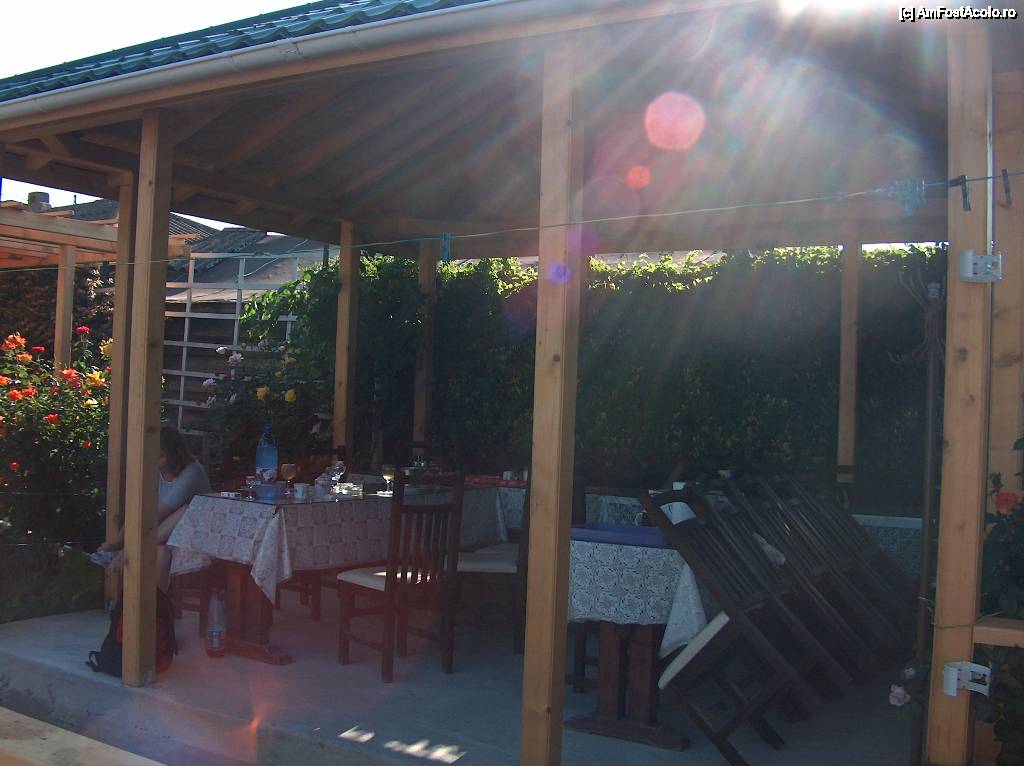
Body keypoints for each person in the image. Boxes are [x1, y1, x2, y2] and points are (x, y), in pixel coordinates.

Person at [98, 426, 211, 593]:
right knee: (160, 550)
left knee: (185, 510)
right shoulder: (154, 471)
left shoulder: (192, 472)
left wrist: (130, 548)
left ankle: (155, 601)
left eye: (160, 454)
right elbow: (140, 513)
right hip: (166, 535)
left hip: (196, 534)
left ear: (173, 452)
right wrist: (117, 543)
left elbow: (155, 516)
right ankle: (153, 602)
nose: (153, 457)